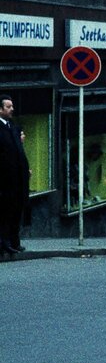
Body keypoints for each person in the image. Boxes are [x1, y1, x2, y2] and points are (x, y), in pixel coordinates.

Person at [0, 96, 30, 257]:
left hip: (17, 180)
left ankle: (13, 242)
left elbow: (17, 153)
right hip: (6, 181)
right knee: (5, 213)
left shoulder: (12, 127)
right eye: (8, 106)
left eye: (12, 106)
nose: (12, 109)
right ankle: (5, 243)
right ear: (0, 109)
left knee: (16, 211)